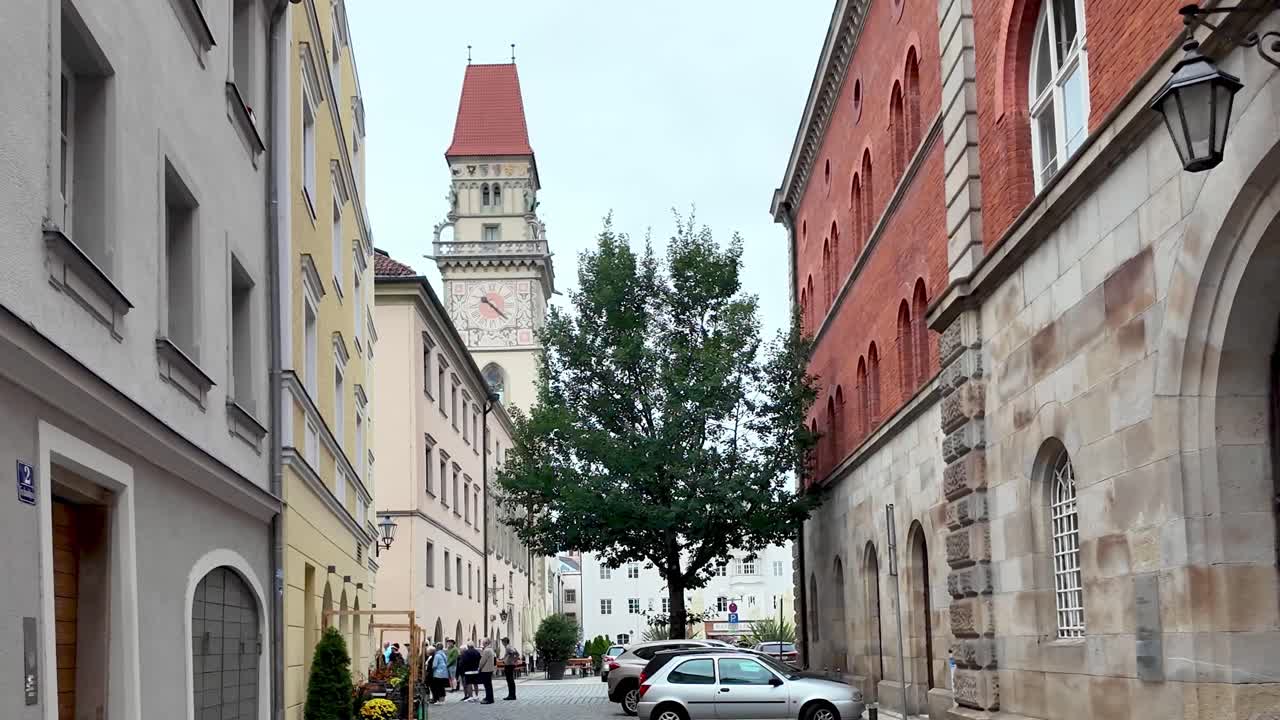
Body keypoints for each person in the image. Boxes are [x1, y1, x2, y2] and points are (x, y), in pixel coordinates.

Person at [478, 639, 496, 704]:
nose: (482, 644)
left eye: (483, 643)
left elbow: (482, 661)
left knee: (487, 685)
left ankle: (489, 699)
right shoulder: (491, 649)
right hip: (490, 669)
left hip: (486, 670)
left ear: (486, 643)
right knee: (489, 685)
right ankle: (489, 697)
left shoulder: (486, 650)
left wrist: (479, 668)